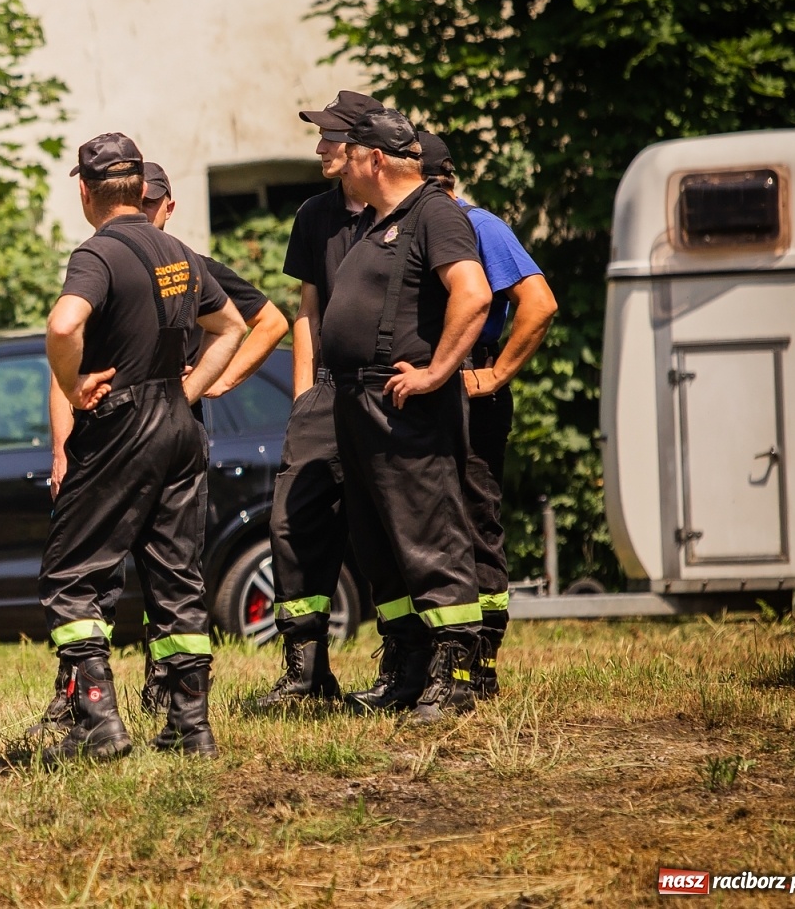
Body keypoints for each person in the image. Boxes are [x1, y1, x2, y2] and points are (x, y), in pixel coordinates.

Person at [29, 161, 288, 735]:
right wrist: (188, 391)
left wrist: (75, 388)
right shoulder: (181, 256)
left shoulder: (97, 253)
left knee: (71, 576)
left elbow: (63, 325)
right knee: (177, 579)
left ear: (85, 190)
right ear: (141, 193)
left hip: (120, 423)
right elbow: (234, 326)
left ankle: (96, 723)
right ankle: (190, 727)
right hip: (179, 428)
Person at [320, 109, 492, 723]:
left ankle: (457, 675)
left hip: (406, 408)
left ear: (375, 159)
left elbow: (473, 294)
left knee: (430, 537)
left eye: (345, 148)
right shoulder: (376, 222)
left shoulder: (434, 213)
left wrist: (438, 372)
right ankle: (408, 667)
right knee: (379, 543)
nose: (330, 154)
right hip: (359, 403)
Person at [246, 90, 381, 714]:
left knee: (386, 524)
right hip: (324, 393)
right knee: (293, 522)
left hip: (386, 392)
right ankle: (306, 669)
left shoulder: (406, 213)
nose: (320, 148)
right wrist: (303, 398)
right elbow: (308, 311)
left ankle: (405, 663)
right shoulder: (314, 216)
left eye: (331, 138)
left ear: (363, 147)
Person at [418, 132, 557, 697]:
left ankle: (481, 660)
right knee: (432, 520)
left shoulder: (480, 226)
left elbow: (539, 303)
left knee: (475, 517)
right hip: (430, 379)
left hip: (472, 382)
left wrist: (495, 374)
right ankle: (438, 651)